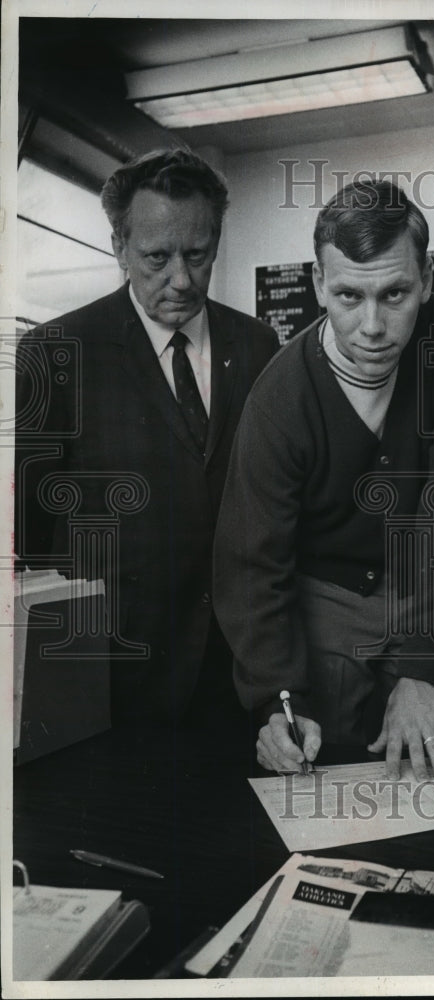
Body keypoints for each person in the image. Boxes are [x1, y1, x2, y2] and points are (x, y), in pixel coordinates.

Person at [214, 179, 434, 780]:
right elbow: (251, 563)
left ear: (426, 279)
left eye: (395, 293)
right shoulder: (279, 396)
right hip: (325, 601)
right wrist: (278, 698)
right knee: (323, 774)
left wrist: (423, 668)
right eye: (349, 295)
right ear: (319, 284)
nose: (372, 325)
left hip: (433, 584)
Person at [15, 148, 279, 735]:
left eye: (197, 255)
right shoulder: (56, 353)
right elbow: (28, 538)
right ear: (119, 248)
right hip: (108, 678)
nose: (181, 280)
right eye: (157, 257)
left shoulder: (258, 347)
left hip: (234, 675)